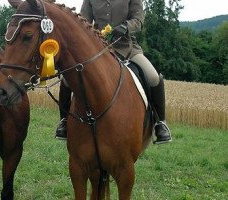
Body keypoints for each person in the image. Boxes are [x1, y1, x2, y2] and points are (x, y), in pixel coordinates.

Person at [55, 0, 172, 144]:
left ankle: (160, 123)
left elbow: (138, 20)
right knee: (66, 79)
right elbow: (82, 21)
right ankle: (64, 121)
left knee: (153, 76)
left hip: (127, 47)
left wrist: (126, 26)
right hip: (97, 48)